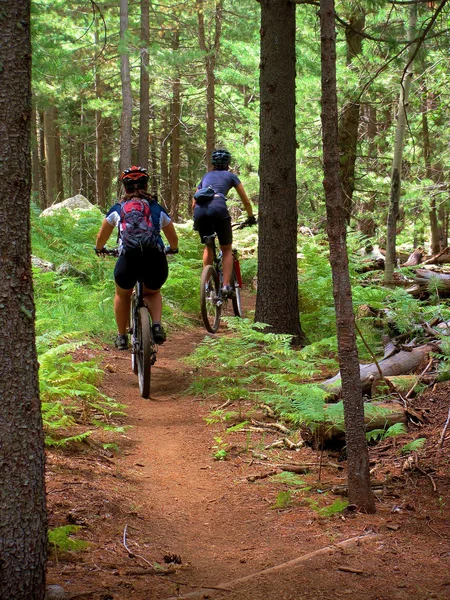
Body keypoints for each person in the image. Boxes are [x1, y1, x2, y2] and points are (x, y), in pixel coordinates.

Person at [95, 166, 178, 350]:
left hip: (128, 261)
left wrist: (100, 248)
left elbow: (101, 237)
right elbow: (173, 238)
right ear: (146, 185)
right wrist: (172, 248)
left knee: (122, 294)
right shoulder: (156, 208)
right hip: (155, 261)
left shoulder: (118, 209)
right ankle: (156, 326)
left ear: (125, 188)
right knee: (153, 292)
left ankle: (122, 336)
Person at [192, 149, 256, 297]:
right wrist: (251, 216)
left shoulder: (205, 176)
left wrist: (197, 218)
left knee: (208, 245)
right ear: (228, 163)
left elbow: (194, 200)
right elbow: (246, 200)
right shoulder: (231, 176)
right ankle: (226, 285)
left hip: (200, 211)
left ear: (213, 164)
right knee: (226, 249)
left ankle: (206, 285)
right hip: (219, 208)